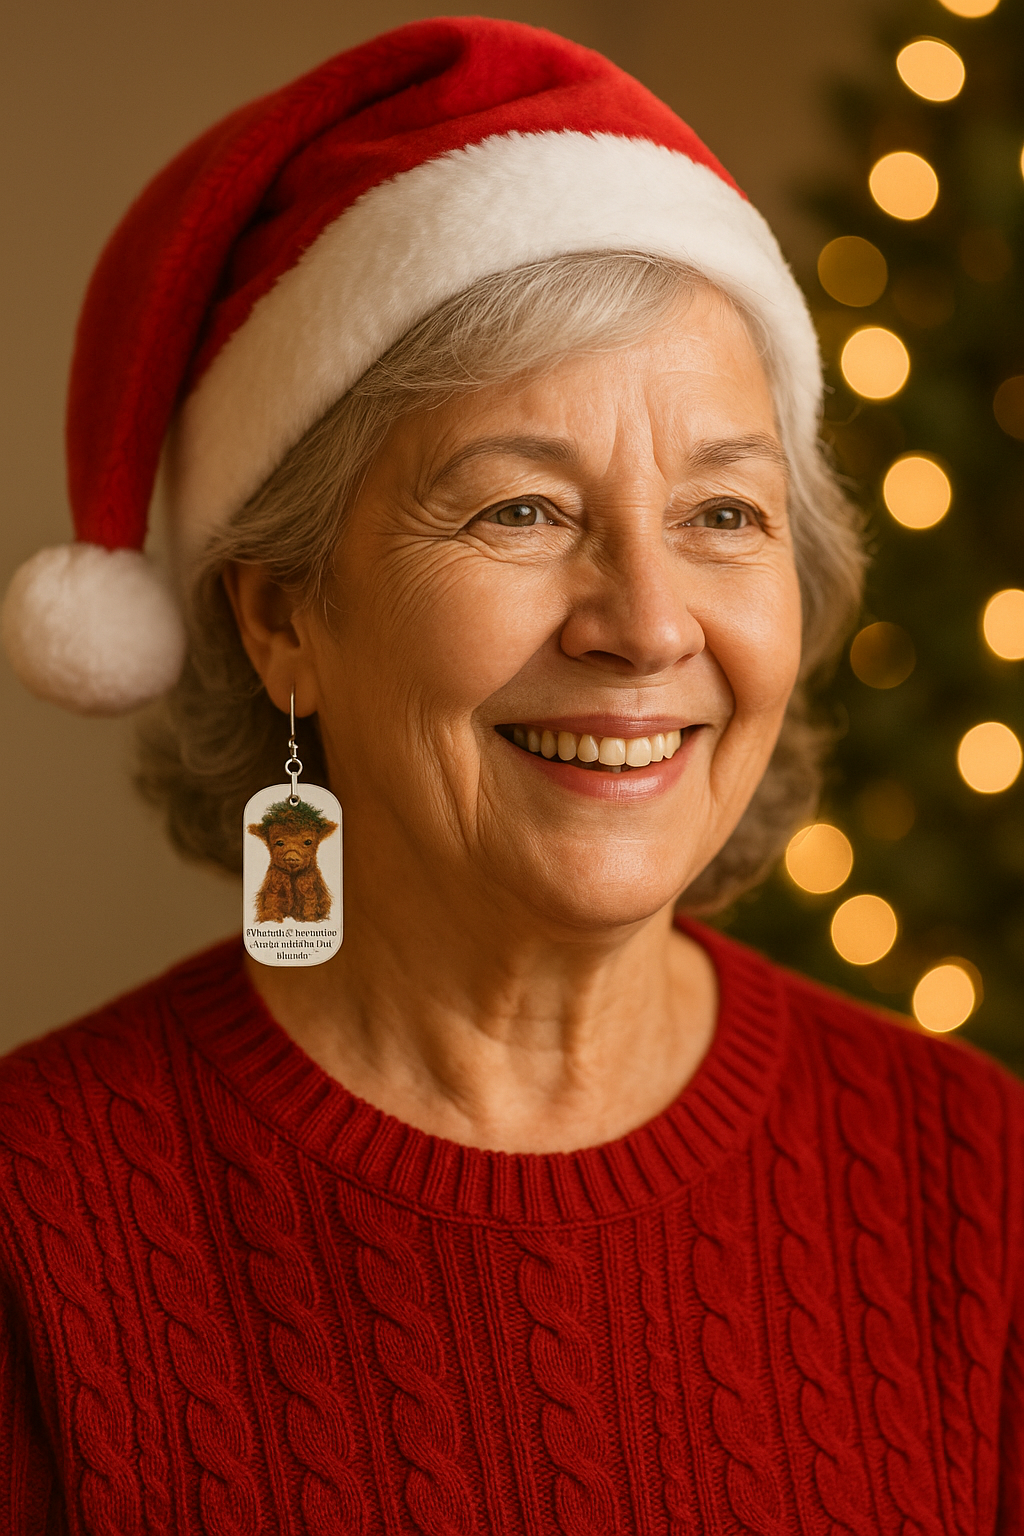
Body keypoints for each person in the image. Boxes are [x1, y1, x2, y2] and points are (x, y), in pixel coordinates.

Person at [0, 17, 1021, 1533]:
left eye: (723, 515)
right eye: (522, 512)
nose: (649, 623)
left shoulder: (977, 1180)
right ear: (282, 616)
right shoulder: (35, 1224)